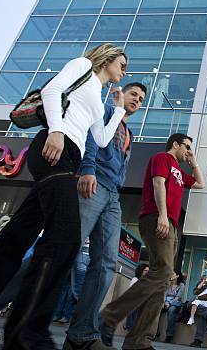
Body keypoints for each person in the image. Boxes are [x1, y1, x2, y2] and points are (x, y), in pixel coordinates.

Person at [0, 43, 129, 348]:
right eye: (122, 63)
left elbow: (102, 138)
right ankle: (27, 336)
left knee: (14, 240)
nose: (124, 70)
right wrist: (55, 129)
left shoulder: (98, 94)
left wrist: (118, 108)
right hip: (54, 148)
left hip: (71, 156)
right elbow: (52, 90)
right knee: (65, 238)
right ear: (106, 59)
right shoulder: (82, 67)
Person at [99, 133, 205, 349]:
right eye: (186, 147)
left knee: (161, 281)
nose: (188, 152)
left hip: (172, 225)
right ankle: (109, 316)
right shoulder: (161, 158)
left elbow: (200, 183)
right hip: (157, 217)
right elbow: (158, 184)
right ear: (175, 144)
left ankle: (139, 341)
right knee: (165, 272)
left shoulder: (180, 170)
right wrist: (163, 215)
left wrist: (193, 163)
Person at [64, 81, 146, 349]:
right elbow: (91, 138)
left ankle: (81, 334)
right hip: (94, 182)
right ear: (122, 94)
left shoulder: (127, 129)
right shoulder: (107, 112)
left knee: (106, 263)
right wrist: (87, 169)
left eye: (142, 98)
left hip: (113, 194)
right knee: (62, 250)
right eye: (134, 94)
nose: (138, 100)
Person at [162, 270, 185, 342]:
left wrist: (170, 303)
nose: (171, 275)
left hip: (175, 303)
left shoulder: (181, 285)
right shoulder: (168, 283)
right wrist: (165, 302)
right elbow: (164, 294)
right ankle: (153, 333)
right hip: (166, 302)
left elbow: (178, 297)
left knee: (171, 310)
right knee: (156, 309)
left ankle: (169, 334)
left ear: (177, 276)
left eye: (173, 274)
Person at [125, 264, 150, 331]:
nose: (147, 272)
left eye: (148, 271)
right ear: (141, 271)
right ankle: (130, 327)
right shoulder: (135, 279)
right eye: (145, 270)